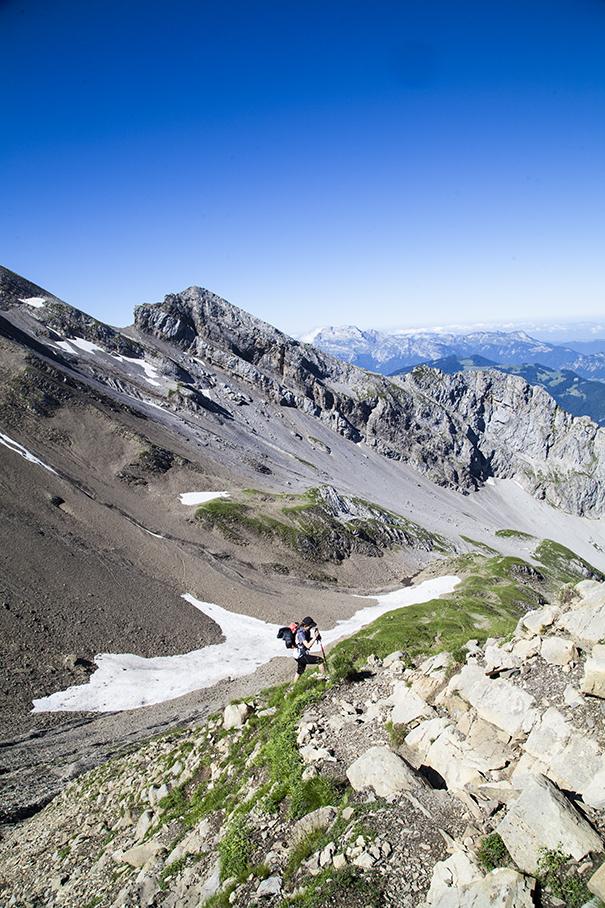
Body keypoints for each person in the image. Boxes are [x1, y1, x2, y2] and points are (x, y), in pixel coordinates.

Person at [293, 616, 326, 683]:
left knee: (300, 671)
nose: (311, 628)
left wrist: (315, 638)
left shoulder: (303, 631)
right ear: (305, 625)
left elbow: (306, 641)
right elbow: (308, 646)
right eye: (310, 626)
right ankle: (325, 677)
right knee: (320, 660)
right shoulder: (301, 633)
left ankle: (294, 686)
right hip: (300, 656)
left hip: (298, 655)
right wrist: (315, 637)